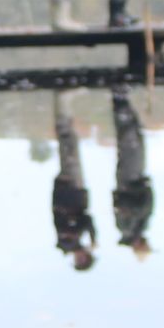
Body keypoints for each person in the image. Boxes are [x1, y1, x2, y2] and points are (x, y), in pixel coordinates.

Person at [49, 91, 97, 271]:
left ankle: (62, 103)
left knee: (67, 143)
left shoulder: (67, 241)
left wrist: (92, 238)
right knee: (70, 144)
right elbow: (87, 219)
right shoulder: (75, 239)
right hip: (74, 190)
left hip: (69, 190)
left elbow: (85, 221)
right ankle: (63, 106)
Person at [109, 91, 152, 256]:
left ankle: (120, 102)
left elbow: (123, 205)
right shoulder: (141, 227)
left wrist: (137, 204)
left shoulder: (126, 227)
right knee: (136, 140)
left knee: (130, 142)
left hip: (128, 181)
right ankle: (122, 102)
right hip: (137, 180)